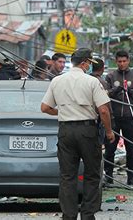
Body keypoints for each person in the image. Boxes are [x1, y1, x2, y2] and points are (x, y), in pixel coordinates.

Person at [41, 48, 115, 220]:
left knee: (67, 176)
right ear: (84, 63)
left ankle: (69, 216)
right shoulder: (91, 82)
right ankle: (88, 215)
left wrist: (62, 113)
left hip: (66, 131)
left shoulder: (57, 81)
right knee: (92, 174)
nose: (89, 66)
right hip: (87, 131)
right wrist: (109, 132)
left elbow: (44, 107)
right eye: (89, 63)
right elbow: (103, 110)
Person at [104, 50, 133, 186]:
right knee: (110, 147)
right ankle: (108, 175)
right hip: (114, 117)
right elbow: (104, 95)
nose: (122, 64)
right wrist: (116, 90)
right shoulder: (111, 76)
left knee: (131, 148)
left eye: (124, 61)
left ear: (128, 61)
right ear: (116, 62)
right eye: (119, 61)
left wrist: (132, 92)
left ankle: (131, 177)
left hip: (130, 117)